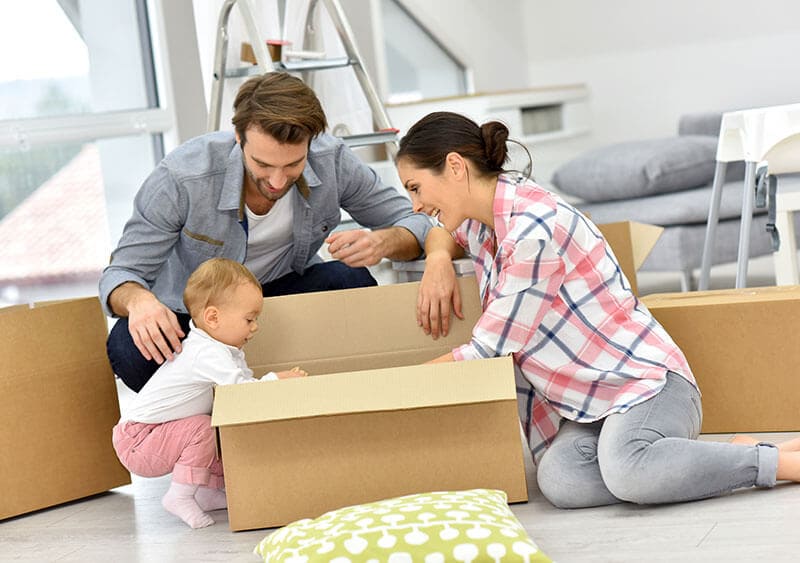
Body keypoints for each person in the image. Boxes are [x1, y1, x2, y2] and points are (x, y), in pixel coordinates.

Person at [394, 110, 800, 509]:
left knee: (627, 470)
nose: (415, 204)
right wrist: (437, 261)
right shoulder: (485, 222)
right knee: (561, 481)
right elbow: (441, 233)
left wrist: (389, 391)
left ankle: (773, 462)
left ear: (454, 167)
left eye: (416, 187)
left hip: (646, 385)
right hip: (587, 406)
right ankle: (700, 461)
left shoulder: (532, 230)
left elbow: (487, 351)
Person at [100, 72, 460, 393]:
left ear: (311, 143)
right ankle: (229, 408)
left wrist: (385, 241)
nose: (276, 181)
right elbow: (121, 273)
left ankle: (321, 393)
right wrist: (139, 301)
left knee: (349, 279)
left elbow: (418, 219)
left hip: (279, 299)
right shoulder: (182, 178)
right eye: (263, 164)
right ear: (238, 138)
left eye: (292, 165)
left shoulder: (331, 159)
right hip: (196, 319)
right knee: (129, 350)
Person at [112, 258, 307, 529]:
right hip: (138, 440)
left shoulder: (224, 349)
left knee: (218, 426)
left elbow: (242, 392)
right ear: (213, 317)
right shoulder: (207, 353)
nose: (255, 327)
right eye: (249, 319)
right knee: (204, 427)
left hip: (152, 435)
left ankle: (205, 490)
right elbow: (243, 394)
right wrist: (277, 380)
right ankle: (179, 496)